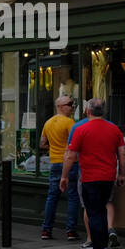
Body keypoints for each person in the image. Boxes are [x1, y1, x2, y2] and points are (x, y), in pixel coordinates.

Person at [61, 98, 125, 249]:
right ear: (104, 112)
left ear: (88, 111)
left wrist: (64, 176)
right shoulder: (114, 129)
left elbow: (70, 156)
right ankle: (102, 245)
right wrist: (122, 174)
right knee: (102, 210)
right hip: (108, 176)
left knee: (94, 212)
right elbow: (122, 154)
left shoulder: (81, 130)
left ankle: (98, 248)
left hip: (90, 177)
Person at [39, 96, 80, 240]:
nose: (72, 107)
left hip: (55, 163)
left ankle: (46, 230)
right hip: (70, 163)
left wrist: (54, 148)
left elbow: (42, 143)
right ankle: (70, 230)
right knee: (73, 197)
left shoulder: (48, 123)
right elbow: (74, 144)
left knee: (52, 197)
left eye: (72, 104)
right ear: (61, 106)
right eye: (70, 104)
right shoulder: (70, 123)